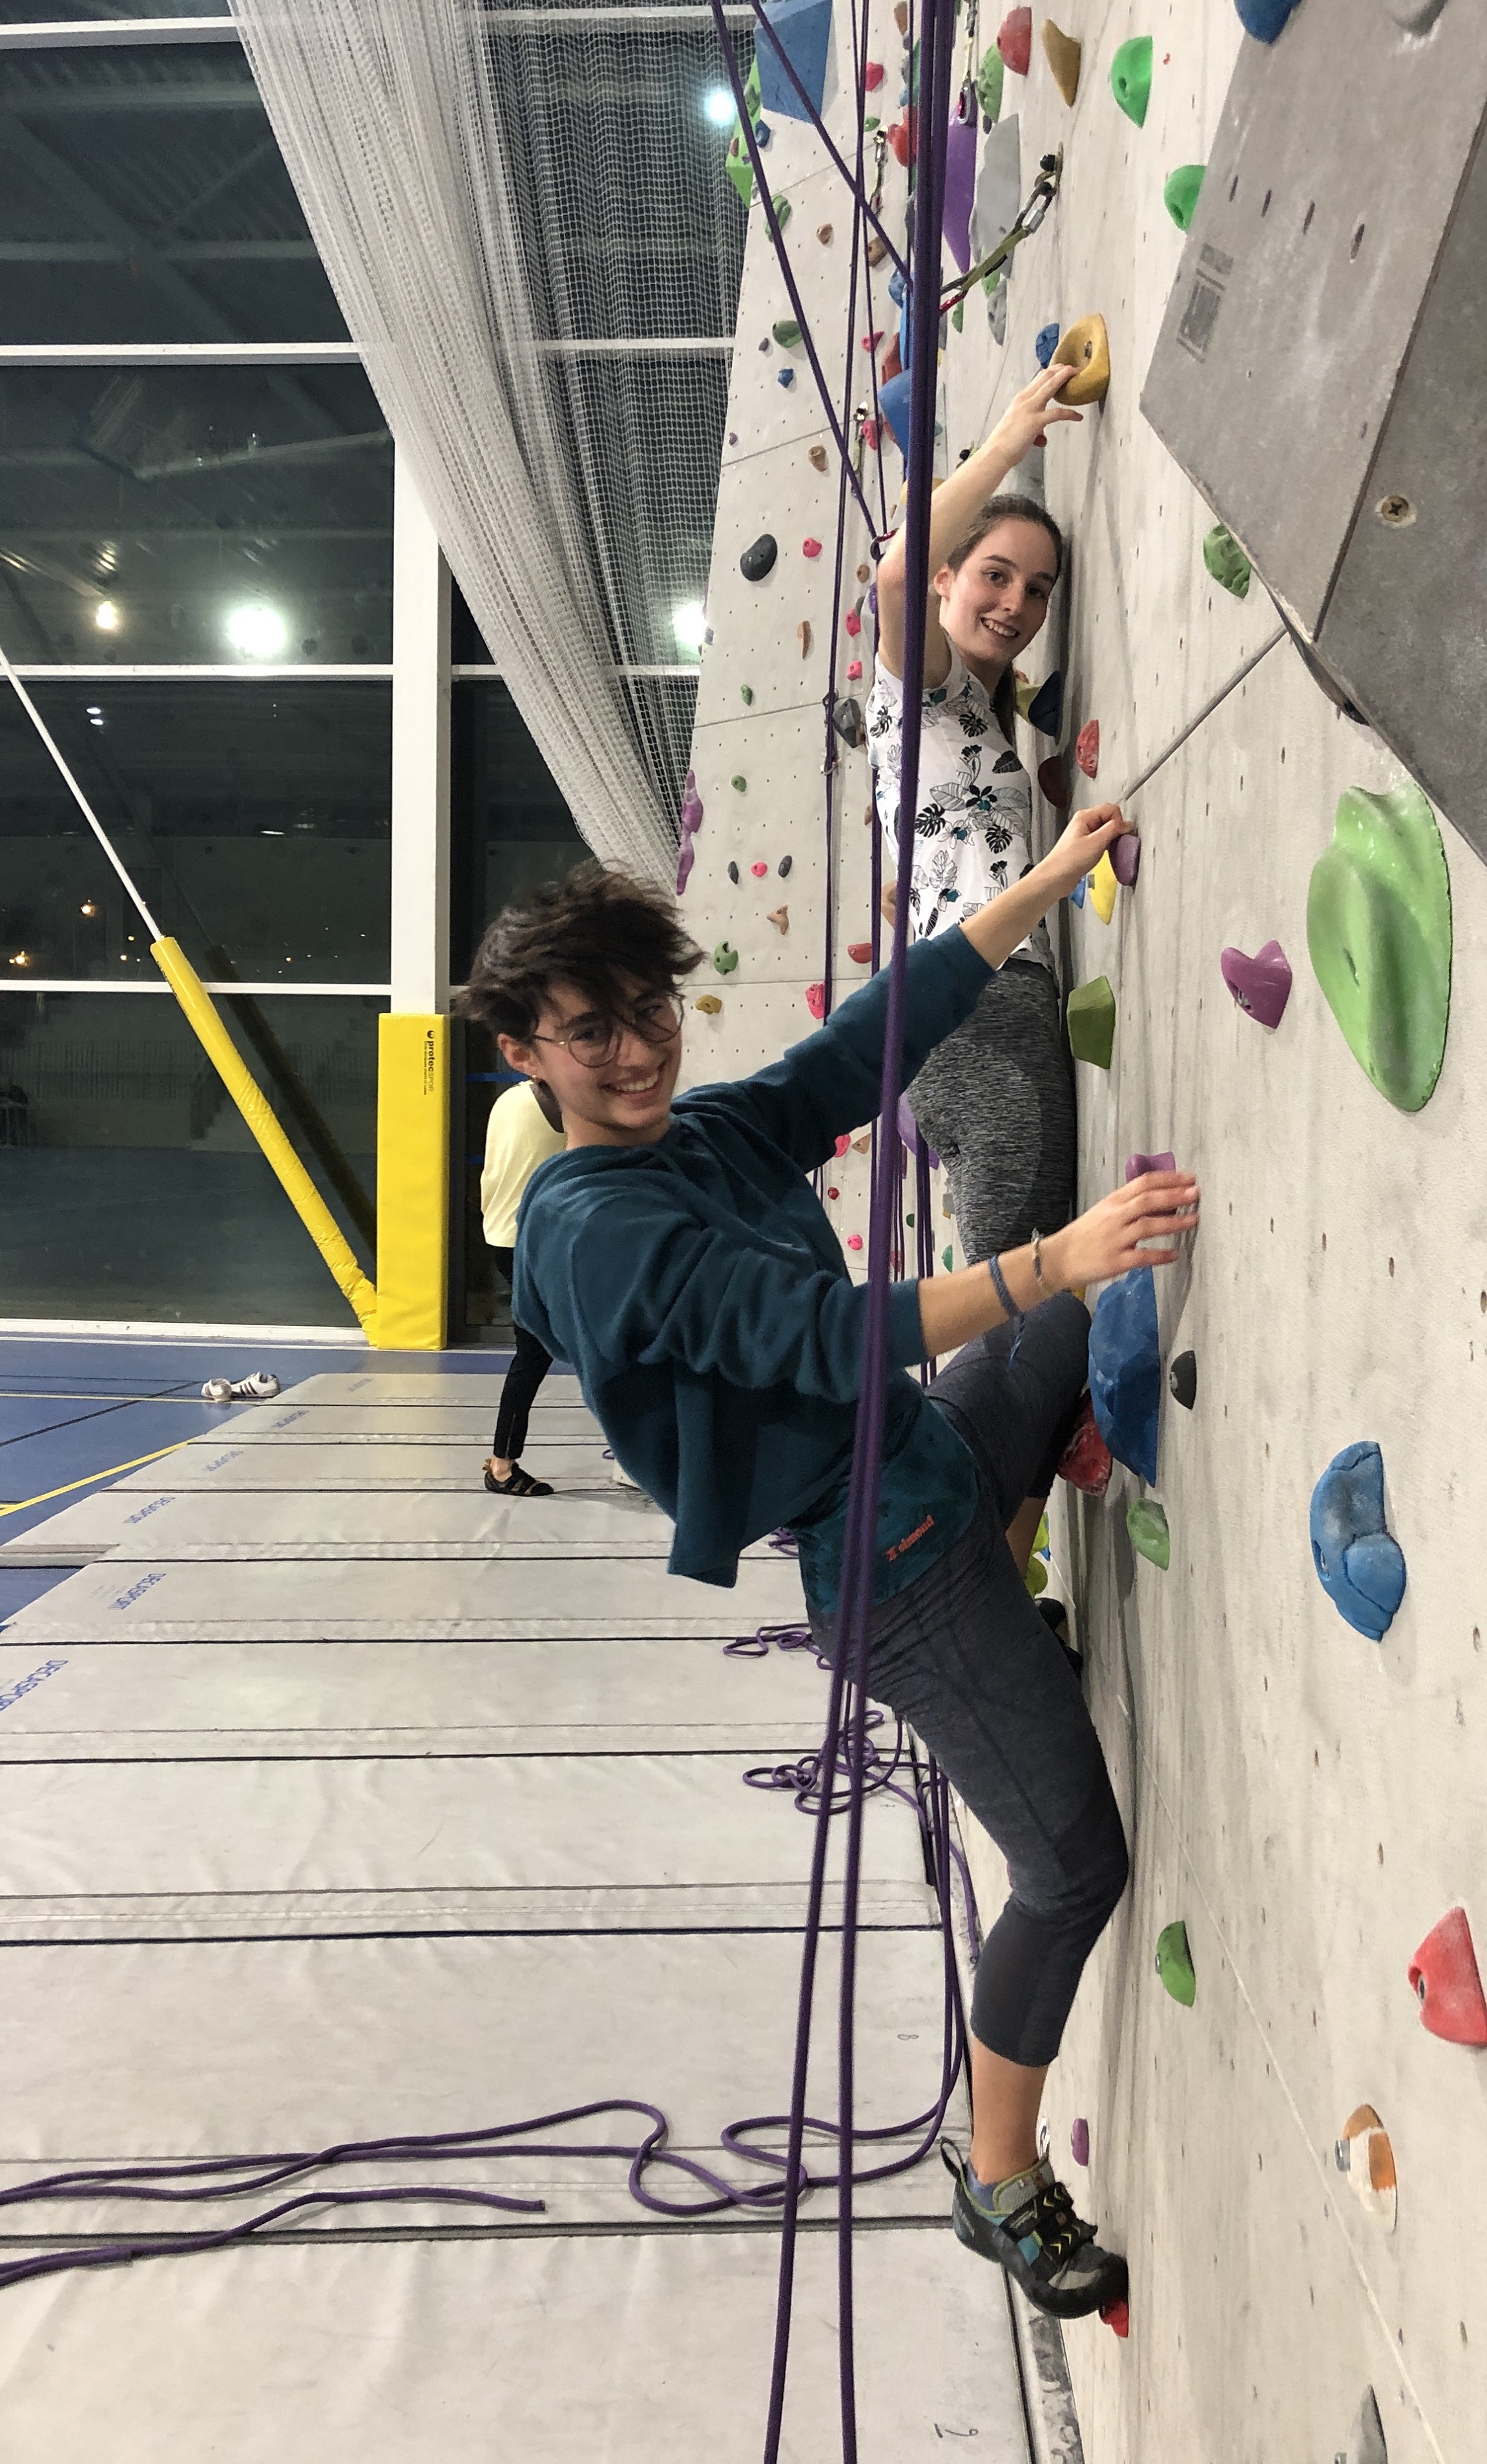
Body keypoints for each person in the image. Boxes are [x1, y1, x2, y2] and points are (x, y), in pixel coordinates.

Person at [459, 828, 1198, 2319]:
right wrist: (1051, 1255)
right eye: (590, 1030)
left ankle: (1022, 1568)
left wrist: (1045, 879)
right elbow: (829, 1335)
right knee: (1072, 1869)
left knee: (1072, 1323)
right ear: (523, 1049)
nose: (634, 1050)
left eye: (649, 1010)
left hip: (929, 1466)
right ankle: (999, 2179)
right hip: (894, 1573)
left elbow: (860, 1048)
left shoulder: (695, 1137)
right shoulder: (596, 1231)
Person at [868, 360, 1083, 1266]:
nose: (1016, 604)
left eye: (1038, 590)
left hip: (966, 1009)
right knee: (1022, 1294)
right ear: (947, 578)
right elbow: (893, 580)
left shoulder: (970, 713)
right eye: (995, 575)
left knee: (1023, 1282)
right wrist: (1004, 444)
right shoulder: (928, 684)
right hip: (984, 1004)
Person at [478, 1071, 565, 1496]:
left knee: (540, 1351)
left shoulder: (510, 1099)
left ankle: (502, 1460)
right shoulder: (560, 1104)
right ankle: (502, 1465)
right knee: (535, 1353)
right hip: (528, 1244)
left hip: (506, 1237)